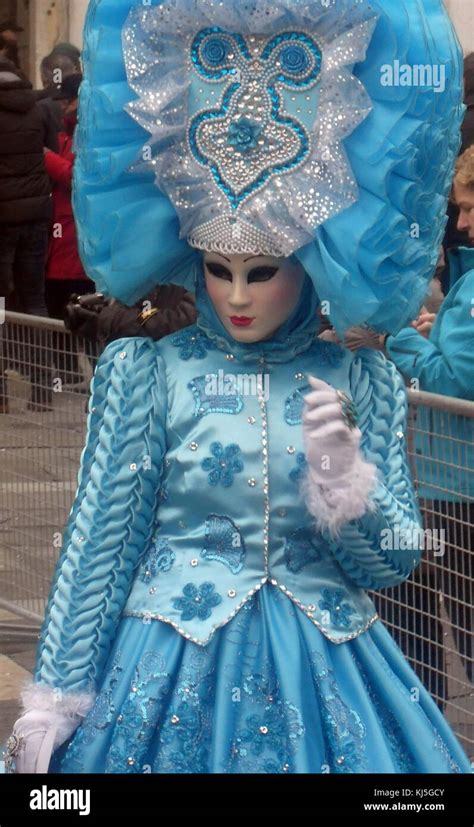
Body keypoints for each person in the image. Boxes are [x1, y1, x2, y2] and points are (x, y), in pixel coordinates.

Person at [4, 0, 471, 774]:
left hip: (330, 674)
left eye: (262, 271)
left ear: (310, 266)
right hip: (164, 668)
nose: (238, 295)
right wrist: (55, 696)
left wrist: (345, 482)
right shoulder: (147, 372)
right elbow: (100, 544)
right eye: (219, 270)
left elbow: (393, 560)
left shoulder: (365, 378)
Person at [0, 55, 53, 412]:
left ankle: (1, 395)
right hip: (36, 216)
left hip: (3, 219)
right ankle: (43, 391)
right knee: (35, 299)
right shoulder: (40, 110)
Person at [43, 72, 96, 384]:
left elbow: (80, 178)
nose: (62, 105)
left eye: (67, 99)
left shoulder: (89, 134)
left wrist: (47, 160)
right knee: (57, 300)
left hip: (77, 234)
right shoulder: (61, 132)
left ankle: (93, 371)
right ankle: (67, 373)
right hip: (60, 233)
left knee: (80, 302)